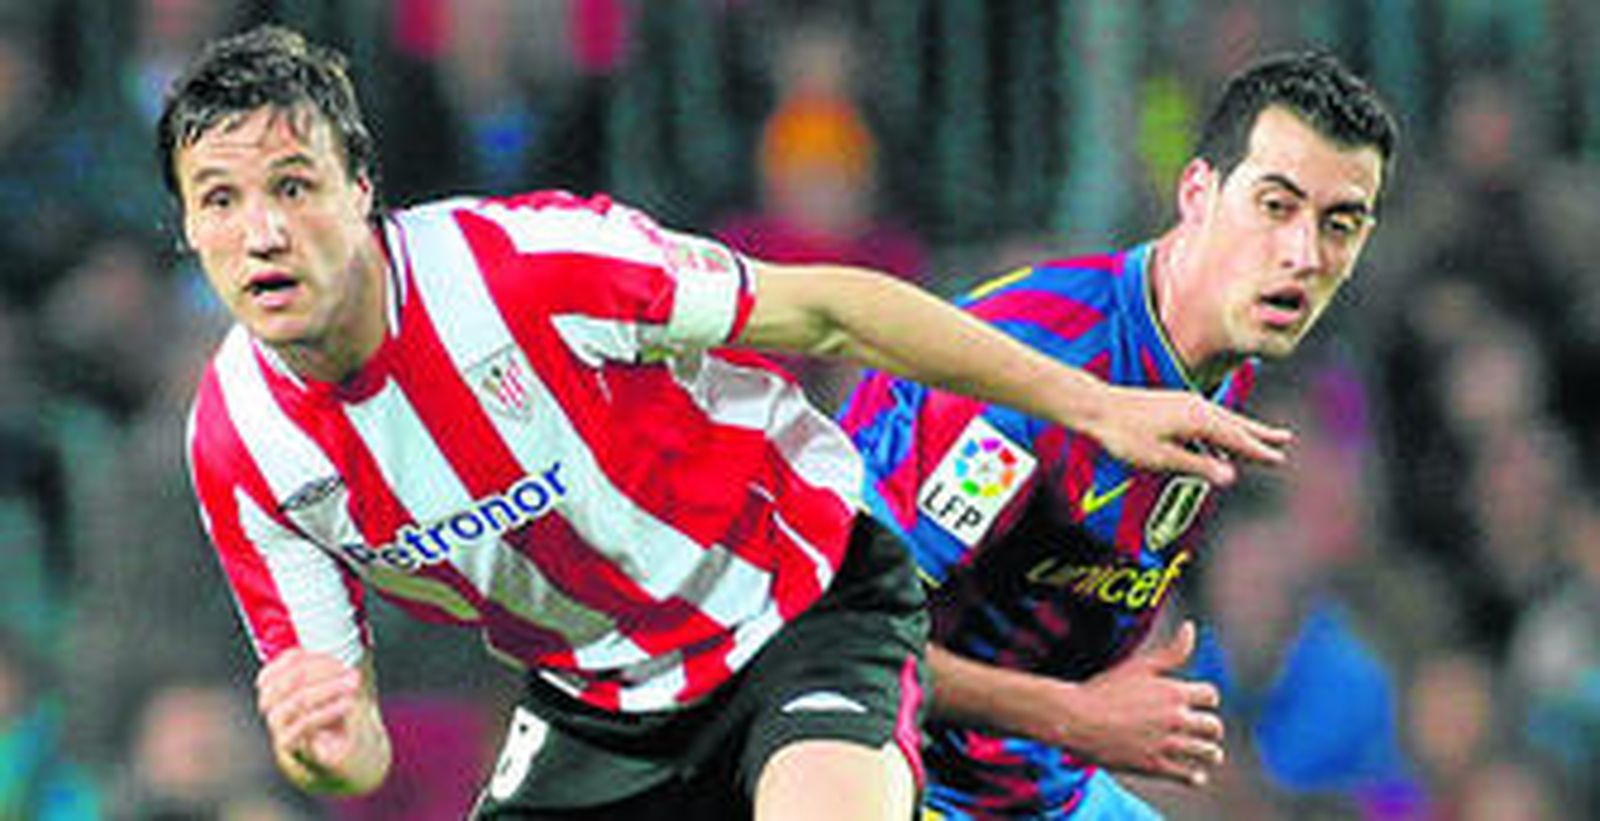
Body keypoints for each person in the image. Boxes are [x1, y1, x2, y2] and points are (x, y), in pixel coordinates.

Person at [163, 25, 1287, 820]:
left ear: (362, 188)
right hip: (600, 695)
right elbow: (353, 750)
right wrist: (319, 745)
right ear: (189, 228)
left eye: (294, 185)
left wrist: (1094, 403)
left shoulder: (528, 268)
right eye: (222, 199)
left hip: (801, 595)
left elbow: (832, 310)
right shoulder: (240, 449)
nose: (263, 231)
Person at [838, 50, 1396, 818]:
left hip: (1040, 787)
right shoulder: (1033, 372)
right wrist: (1074, 715)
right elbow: (843, 639)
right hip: (897, 781)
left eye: (1340, 224)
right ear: (1197, 193)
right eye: (1276, 206)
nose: (1304, 255)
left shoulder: (1224, 360)